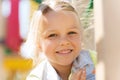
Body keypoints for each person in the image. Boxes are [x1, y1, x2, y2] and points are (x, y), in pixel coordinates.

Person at [22, 0, 95, 80]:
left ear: (81, 35)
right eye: (52, 35)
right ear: (38, 43)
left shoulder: (96, 60)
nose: (64, 42)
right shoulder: (37, 77)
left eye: (71, 32)